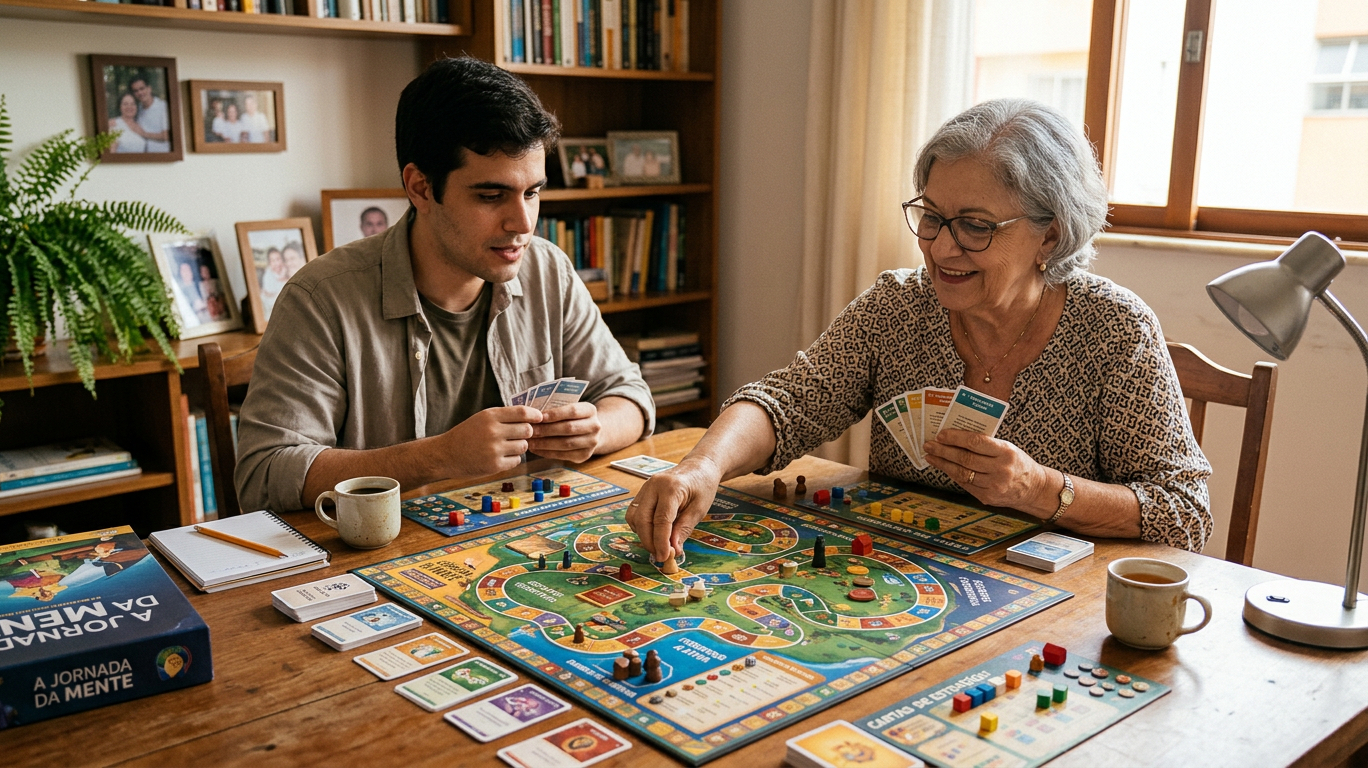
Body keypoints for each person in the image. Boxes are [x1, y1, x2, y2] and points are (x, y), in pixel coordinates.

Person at [627, 98, 1213, 562]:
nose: (940, 246)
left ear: (1051, 235)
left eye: (975, 226)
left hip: (1054, 609)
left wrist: (1038, 488)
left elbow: (1184, 511)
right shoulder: (900, 306)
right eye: (931, 216)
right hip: (896, 581)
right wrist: (701, 465)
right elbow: (786, 403)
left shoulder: (1114, 329)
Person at [236, 56, 654, 514]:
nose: (523, 222)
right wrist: (439, 457)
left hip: (519, 544)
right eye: (491, 196)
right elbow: (266, 473)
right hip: (380, 560)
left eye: (532, 192)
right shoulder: (320, 299)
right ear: (420, 187)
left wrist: (595, 429)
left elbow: (630, 397)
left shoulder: (548, 269)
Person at [127, 75, 170, 152]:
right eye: (136, 91)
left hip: (163, 157)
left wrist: (144, 134)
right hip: (144, 157)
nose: (140, 93)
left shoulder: (163, 106)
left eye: (142, 88)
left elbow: (167, 135)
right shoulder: (138, 108)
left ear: (149, 88)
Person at [259, 246, 289, 319]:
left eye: (278, 259)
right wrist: (283, 279)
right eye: (272, 261)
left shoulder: (285, 270)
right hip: (269, 301)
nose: (276, 263)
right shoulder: (268, 274)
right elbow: (270, 291)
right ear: (269, 263)